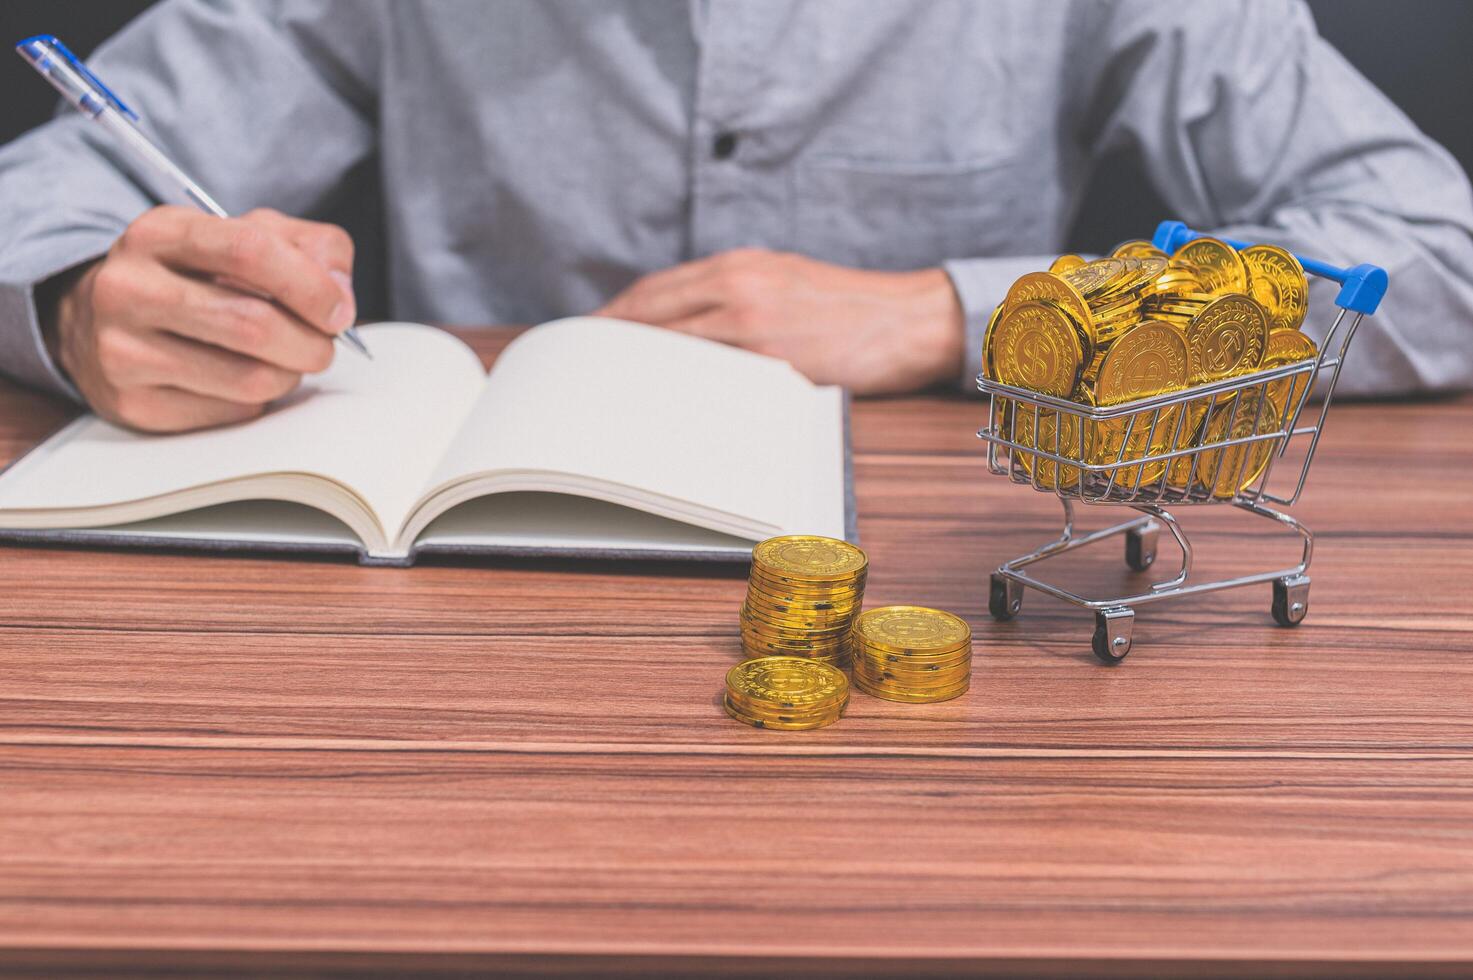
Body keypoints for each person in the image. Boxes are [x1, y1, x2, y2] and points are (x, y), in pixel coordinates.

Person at [0, 0, 1470, 433]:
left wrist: (957, 311)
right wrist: (79, 303)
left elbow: (1432, 254)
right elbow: (47, 195)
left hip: (930, 581)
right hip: (451, 608)